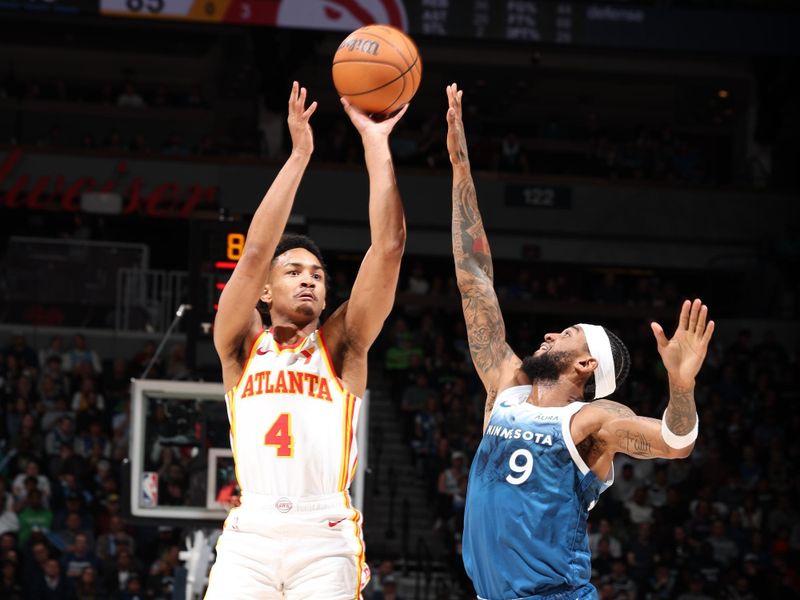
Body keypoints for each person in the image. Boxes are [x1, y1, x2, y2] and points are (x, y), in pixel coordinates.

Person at [445, 83, 715, 600]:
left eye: (565, 334)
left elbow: (675, 445)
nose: (549, 334)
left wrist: (681, 386)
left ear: (586, 364)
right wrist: (460, 167)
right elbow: (474, 277)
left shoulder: (593, 421)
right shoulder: (506, 389)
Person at [204, 82, 408, 598]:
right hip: (250, 530)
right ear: (267, 290)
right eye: (294, 271)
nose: (309, 279)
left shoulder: (342, 346)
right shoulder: (240, 341)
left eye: (317, 273)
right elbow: (253, 254)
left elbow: (388, 248)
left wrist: (376, 144)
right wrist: (299, 155)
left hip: (326, 533)